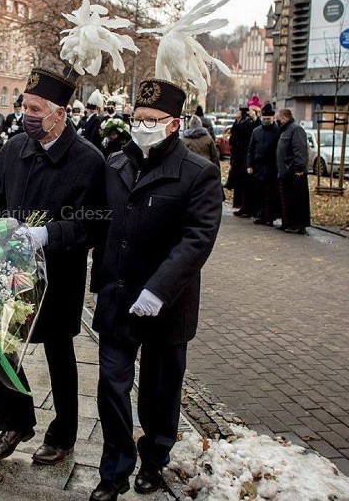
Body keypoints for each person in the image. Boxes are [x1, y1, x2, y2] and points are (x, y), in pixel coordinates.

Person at [89, 79, 222, 501]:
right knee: (111, 386)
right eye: (137, 119)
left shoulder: (198, 173)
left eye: (151, 120)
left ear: (174, 125)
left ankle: (153, 459)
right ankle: (113, 472)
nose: (141, 126)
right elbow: (95, 224)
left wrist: (159, 290)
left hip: (167, 305)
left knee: (160, 392)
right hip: (118, 297)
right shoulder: (115, 165)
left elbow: (197, 239)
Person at [0, 67, 106, 465]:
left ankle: (62, 434)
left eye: (35, 108)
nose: (26, 114)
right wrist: (1, 223)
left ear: (61, 113)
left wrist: (48, 234)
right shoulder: (16, 148)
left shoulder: (88, 160)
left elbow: (94, 220)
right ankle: (15, 421)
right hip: (11, 267)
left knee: (57, 350)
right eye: (24, 106)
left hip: (59, 274)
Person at [276, 108, 311, 234]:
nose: (277, 120)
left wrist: (299, 168)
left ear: (285, 117)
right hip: (285, 172)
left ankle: (297, 224)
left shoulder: (295, 129)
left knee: (296, 200)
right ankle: (288, 222)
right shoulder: (285, 130)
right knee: (287, 200)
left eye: (278, 118)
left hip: (293, 172)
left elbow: (299, 150)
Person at [246, 103, 280, 226]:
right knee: (259, 193)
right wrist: (249, 165)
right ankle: (260, 215)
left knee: (270, 194)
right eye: (264, 119)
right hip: (258, 167)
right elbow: (251, 149)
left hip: (272, 167)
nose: (266, 121)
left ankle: (269, 217)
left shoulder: (277, 131)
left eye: (268, 119)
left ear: (273, 118)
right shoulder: (256, 131)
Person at [228, 105, 254, 215]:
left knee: (243, 184)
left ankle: (245, 207)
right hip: (239, 157)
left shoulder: (246, 123)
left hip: (242, 158)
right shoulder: (241, 122)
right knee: (240, 184)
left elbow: (238, 134)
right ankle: (241, 206)